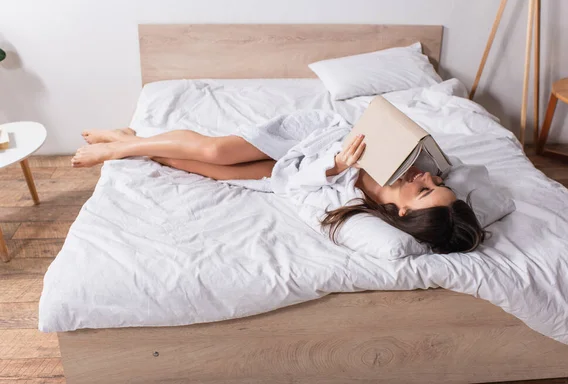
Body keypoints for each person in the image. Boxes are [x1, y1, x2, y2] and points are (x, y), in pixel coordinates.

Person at [72, 127, 485, 254]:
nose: (427, 178)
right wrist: (340, 155)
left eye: (427, 190)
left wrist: (338, 168)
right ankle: (119, 147)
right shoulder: (414, 163)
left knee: (194, 166)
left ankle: (127, 137)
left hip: (296, 170)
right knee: (214, 150)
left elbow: (302, 192)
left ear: (403, 214)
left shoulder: (356, 205)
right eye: (437, 182)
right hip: (306, 139)